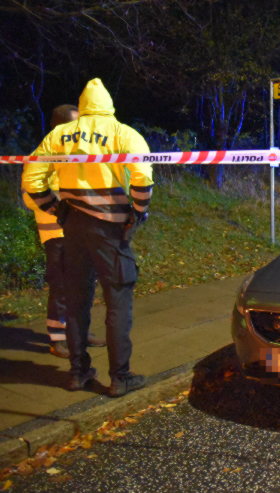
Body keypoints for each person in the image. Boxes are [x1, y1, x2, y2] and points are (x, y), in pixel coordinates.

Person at [22, 78, 154, 397]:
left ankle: (78, 373)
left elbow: (32, 176)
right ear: (109, 105)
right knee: (118, 298)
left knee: (77, 300)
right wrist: (138, 211)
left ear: (82, 107)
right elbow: (142, 176)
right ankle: (120, 377)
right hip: (110, 229)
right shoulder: (123, 133)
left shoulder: (59, 134)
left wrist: (54, 209)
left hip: (73, 228)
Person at [22, 104, 106, 358]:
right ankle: (57, 339)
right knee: (61, 286)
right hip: (56, 233)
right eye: (73, 125)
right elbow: (29, 197)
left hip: (83, 232)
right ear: (58, 127)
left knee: (85, 284)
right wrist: (62, 204)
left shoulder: (80, 154)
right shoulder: (43, 155)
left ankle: (81, 332)